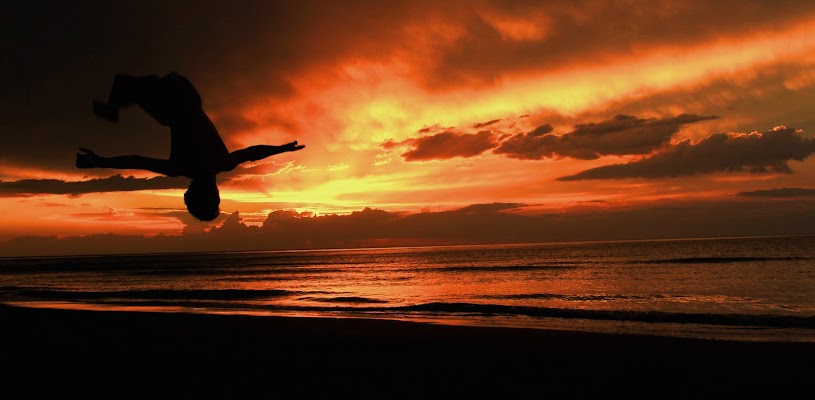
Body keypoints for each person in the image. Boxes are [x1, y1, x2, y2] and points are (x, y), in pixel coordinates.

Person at [77, 72, 305, 221]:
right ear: (196, 194)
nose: (185, 192)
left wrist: (281, 149)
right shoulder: (181, 167)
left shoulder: (223, 163)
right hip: (174, 100)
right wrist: (99, 161)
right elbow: (137, 160)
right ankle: (113, 108)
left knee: (131, 89)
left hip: (188, 95)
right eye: (188, 196)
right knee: (125, 84)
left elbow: (252, 153)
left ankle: (114, 107)